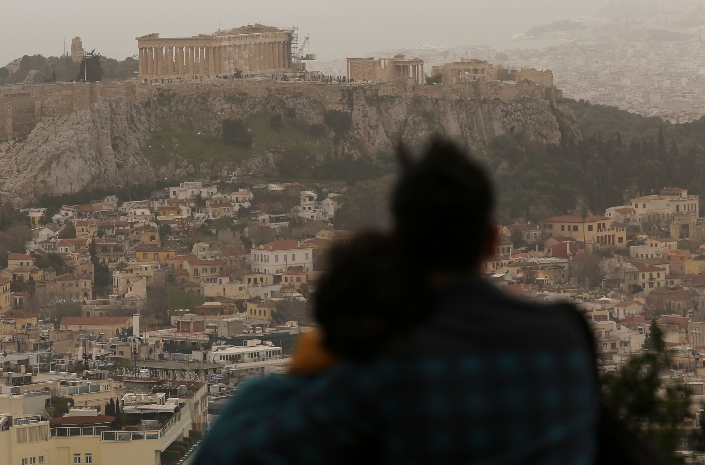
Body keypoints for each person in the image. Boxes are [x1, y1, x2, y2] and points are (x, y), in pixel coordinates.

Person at [192, 137, 598, 465]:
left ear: (397, 242)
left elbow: (230, 457)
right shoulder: (567, 338)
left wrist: (290, 380)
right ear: (493, 240)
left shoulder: (385, 366)